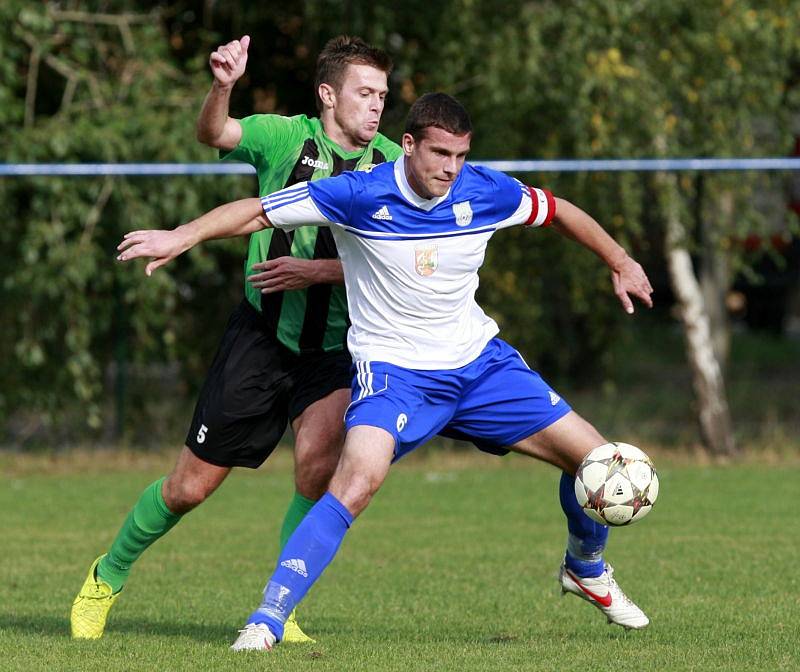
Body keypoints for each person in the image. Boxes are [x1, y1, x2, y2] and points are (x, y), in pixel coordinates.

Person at [115, 93, 655, 651]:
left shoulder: (486, 190)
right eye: (439, 152)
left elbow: (558, 209)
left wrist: (621, 260)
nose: (450, 167)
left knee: (597, 462)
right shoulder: (361, 192)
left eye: (461, 155)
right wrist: (183, 235)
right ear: (408, 145)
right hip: (397, 374)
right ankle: (267, 619)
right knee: (353, 485)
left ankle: (585, 567)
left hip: (479, 367)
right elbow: (257, 210)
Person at [70, 35, 402, 642]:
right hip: (261, 337)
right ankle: (107, 573)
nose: (378, 105)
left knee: (316, 471)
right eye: (365, 92)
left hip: (334, 350)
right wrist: (222, 85)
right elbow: (215, 135)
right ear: (328, 95)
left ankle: (284, 604)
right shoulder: (285, 136)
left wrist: (318, 271)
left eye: (383, 94)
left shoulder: (392, 167)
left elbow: (401, 260)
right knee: (188, 488)